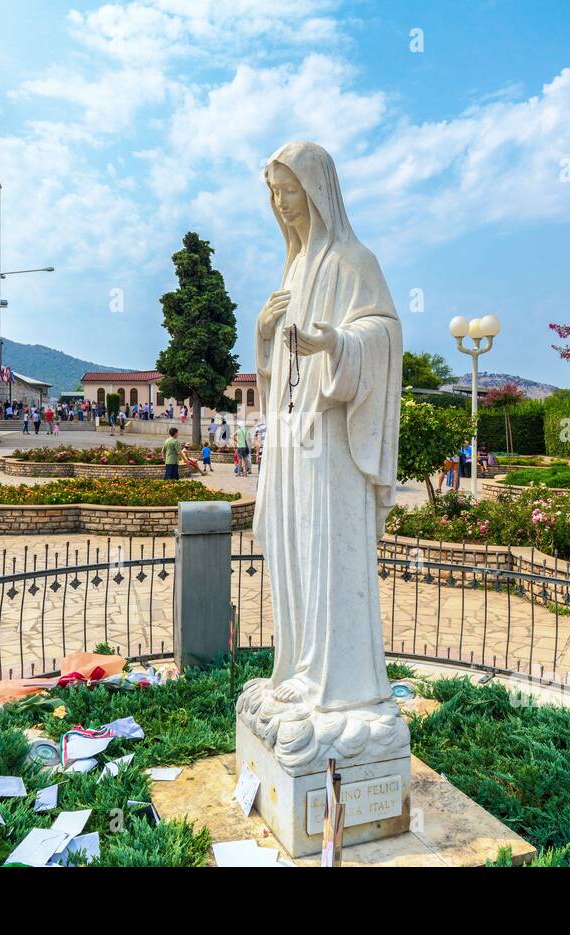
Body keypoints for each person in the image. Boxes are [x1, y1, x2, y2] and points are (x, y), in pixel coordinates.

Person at [239, 141, 404, 723]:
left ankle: (334, 680)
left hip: (331, 439)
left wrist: (337, 343)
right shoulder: (294, 266)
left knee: (325, 551)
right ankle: (298, 666)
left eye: (290, 191)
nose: (282, 204)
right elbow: (276, 368)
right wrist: (263, 334)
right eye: (275, 194)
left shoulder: (354, 261)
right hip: (291, 438)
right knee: (293, 549)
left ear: (316, 191)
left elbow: (385, 333)